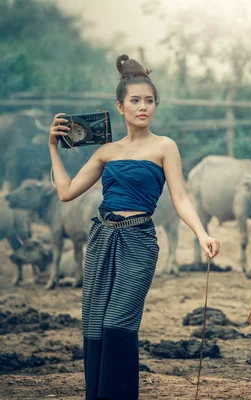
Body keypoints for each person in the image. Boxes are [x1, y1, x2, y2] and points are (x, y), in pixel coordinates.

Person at [48, 54, 220, 400]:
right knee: (95, 324)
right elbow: (66, 192)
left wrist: (202, 234)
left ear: (156, 104)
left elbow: (181, 198)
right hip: (102, 239)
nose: (143, 107)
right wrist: (52, 147)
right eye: (135, 101)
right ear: (120, 106)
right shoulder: (106, 152)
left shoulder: (164, 146)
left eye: (149, 101)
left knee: (118, 323)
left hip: (139, 240)